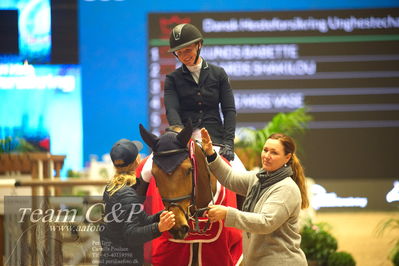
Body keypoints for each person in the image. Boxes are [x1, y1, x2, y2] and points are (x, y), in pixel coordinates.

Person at [201, 128, 309, 266]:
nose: (267, 155)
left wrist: (228, 213)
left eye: (274, 152)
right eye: (265, 150)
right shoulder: (259, 179)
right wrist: (210, 153)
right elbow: (229, 178)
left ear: (287, 157)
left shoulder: (286, 189)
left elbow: (266, 222)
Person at [164, 23, 236, 161]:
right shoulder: (172, 79)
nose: (184, 56)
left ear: (199, 45)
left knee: (239, 175)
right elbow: (172, 110)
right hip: (185, 141)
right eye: (179, 53)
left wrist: (228, 143)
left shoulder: (218, 74)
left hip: (216, 140)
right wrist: (181, 136)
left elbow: (229, 110)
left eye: (188, 50)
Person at [99, 139, 175, 266]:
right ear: (137, 161)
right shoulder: (128, 194)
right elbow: (131, 235)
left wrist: (162, 214)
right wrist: (159, 227)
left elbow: (139, 219)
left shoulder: (112, 187)